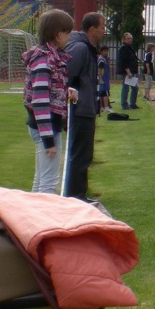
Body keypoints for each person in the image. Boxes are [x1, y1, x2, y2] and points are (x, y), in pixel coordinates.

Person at [22, 8, 79, 194]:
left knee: (41, 179)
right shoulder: (44, 61)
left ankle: (31, 211)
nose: (70, 37)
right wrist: (48, 140)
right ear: (58, 35)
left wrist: (65, 91)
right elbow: (39, 101)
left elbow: (48, 88)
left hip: (46, 126)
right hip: (45, 128)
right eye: (68, 33)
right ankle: (44, 213)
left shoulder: (51, 58)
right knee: (49, 182)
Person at [65, 11, 105, 201]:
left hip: (86, 107)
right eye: (102, 27)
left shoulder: (87, 48)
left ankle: (79, 193)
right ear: (92, 29)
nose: (104, 31)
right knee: (80, 154)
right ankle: (75, 196)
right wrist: (76, 99)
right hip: (79, 110)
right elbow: (67, 76)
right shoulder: (80, 48)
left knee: (84, 154)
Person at [118, 32, 139, 110]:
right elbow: (124, 61)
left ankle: (132, 104)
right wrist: (128, 71)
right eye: (128, 38)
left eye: (131, 38)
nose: (130, 40)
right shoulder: (124, 48)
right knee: (126, 88)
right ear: (124, 39)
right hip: (127, 72)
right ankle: (125, 105)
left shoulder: (128, 47)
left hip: (130, 71)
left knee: (134, 88)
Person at [96, 45, 112, 114]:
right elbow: (99, 69)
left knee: (101, 93)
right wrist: (101, 79)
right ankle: (106, 107)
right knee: (105, 93)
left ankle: (101, 107)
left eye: (107, 51)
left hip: (102, 79)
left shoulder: (101, 59)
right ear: (101, 52)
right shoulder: (102, 60)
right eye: (105, 51)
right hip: (103, 79)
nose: (106, 53)